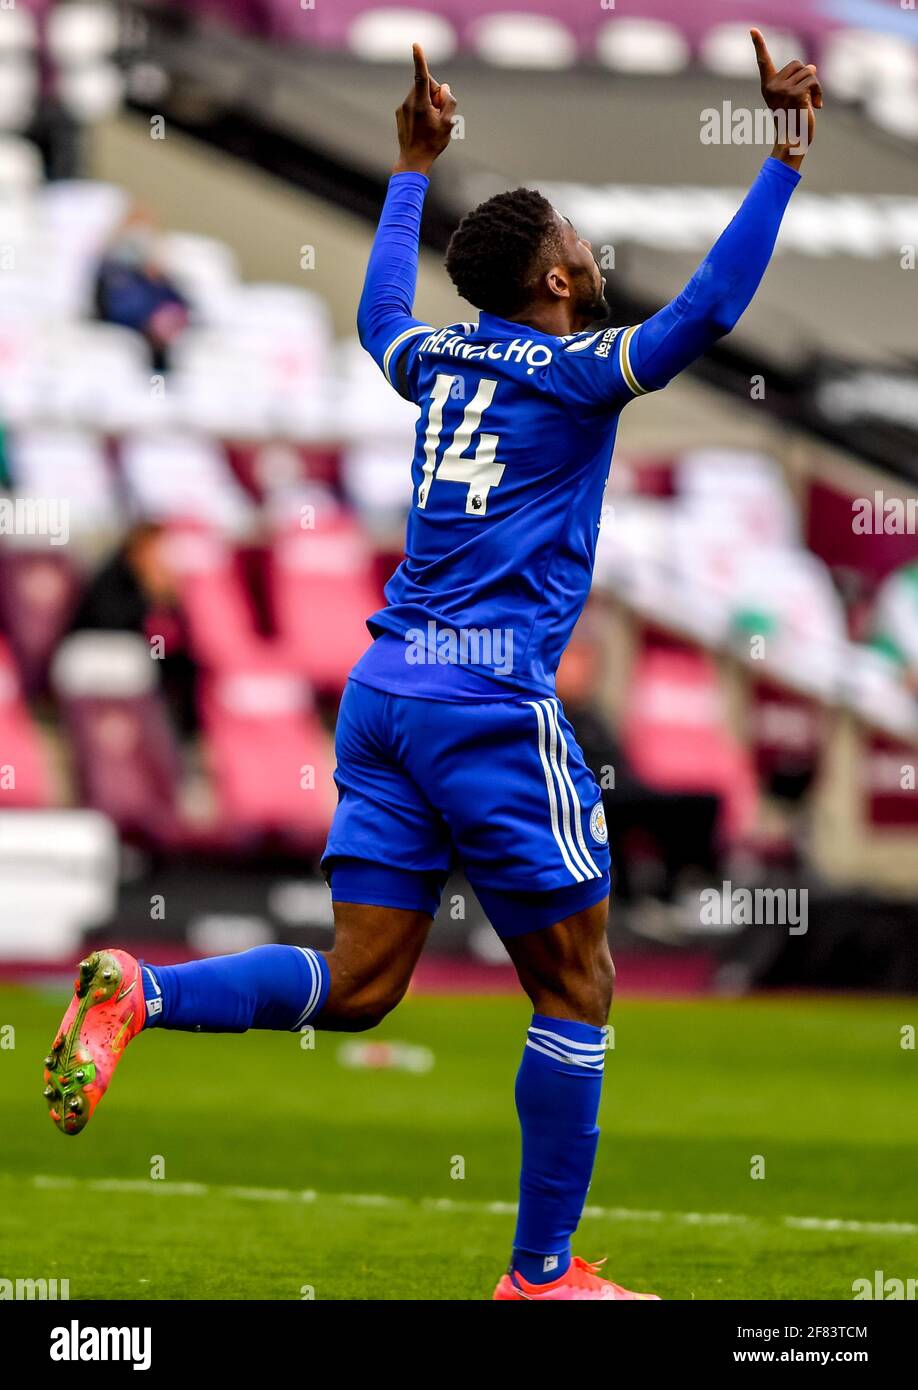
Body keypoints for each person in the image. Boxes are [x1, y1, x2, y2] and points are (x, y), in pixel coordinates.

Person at [42, 31, 820, 1301]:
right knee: (579, 982)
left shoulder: (441, 362)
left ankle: (143, 989)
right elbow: (712, 313)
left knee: (360, 985)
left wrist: (412, 169)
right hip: (489, 707)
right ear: (563, 276)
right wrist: (784, 159)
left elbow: (378, 318)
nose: (593, 257)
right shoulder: (578, 375)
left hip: (386, 695)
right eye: (582, 244)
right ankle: (540, 1277)